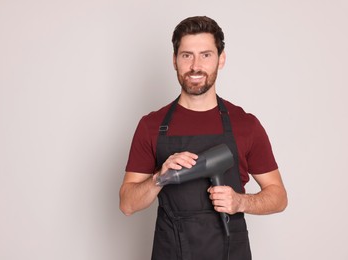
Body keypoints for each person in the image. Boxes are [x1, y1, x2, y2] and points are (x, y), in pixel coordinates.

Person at [119, 16, 287, 260]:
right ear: (175, 61)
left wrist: (241, 202)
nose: (195, 65)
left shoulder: (245, 124)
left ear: (221, 59)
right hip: (172, 251)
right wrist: (159, 178)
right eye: (187, 55)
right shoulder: (151, 126)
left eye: (206, 55)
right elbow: (127, 204)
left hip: (230, 252)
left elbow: (279, 197)